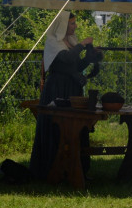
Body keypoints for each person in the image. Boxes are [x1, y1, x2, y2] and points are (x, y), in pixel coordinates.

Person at [29, 11, 103, 181]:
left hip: (72, 89)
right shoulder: (53, 42)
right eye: (72, 23)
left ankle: (77, 168)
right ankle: (53, 169)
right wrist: (83, 45)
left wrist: (90, 57)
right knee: (57, 129)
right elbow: (67, 58)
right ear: (62, 25)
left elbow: (75, 66)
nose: (75, 26)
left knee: (76, 129)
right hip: (57, 90)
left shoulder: (71, 41)